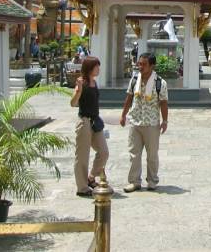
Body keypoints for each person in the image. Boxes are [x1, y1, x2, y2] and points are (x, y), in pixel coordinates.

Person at [120, 53, 169, 192]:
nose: (140, 66)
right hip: (135, 121)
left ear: (152, 66)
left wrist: (165, 121)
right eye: (139, 63)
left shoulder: (160, 83)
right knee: (134, 153)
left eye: (143, 64)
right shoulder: (135, 79)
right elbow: (129, 98)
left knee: (152, 154)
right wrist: (123, 115)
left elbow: (164, 103)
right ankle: (134, 181)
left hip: (151, 123)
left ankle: (152, 180)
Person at [70, 56, 109, 197]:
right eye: (96, 66)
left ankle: (91, 177)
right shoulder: (82, 82)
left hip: (95, 121)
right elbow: (73, 103)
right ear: (89, 68)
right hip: (84, 122)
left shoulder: (94, 82)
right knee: (82, 155)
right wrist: (79, 90)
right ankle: (82, 187)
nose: (98, 69)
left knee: (103, 152)